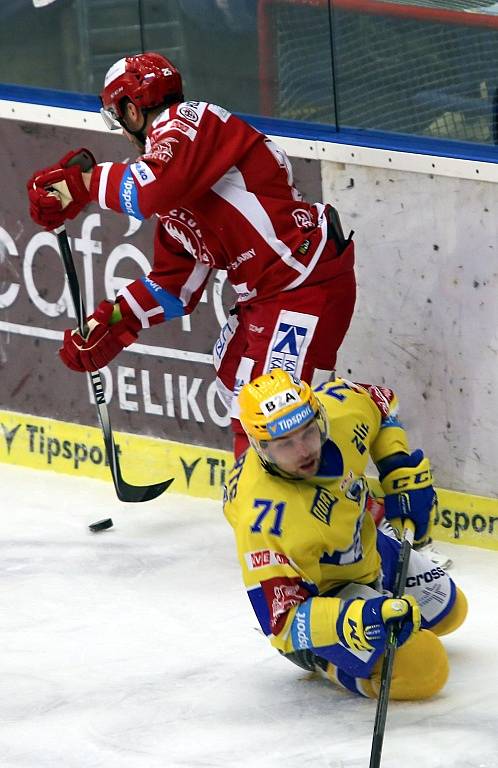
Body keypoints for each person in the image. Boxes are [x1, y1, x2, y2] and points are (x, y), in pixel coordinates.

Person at [26, 52, 356, 457]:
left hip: (302, 282)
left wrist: (83, 183)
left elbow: (149, 189)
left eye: (118, 118)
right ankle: (316, 503)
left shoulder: (192, 122)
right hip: (276, 291)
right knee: (235, 379)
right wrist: (111, 321)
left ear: (131, 110)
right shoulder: (177, 177)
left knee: (271, 414)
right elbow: (174, 286)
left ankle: (272, 516)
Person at [223, 368, 467, 699]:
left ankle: (375, 612)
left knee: (451, 609)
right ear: (261, 448)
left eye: (308, 432)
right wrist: (359, 618)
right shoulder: (263, 518)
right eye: (285, 444)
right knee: (425, 670)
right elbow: (282, 624)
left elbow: (382, 405)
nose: (304, 451)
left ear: (320, 416)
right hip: (323, 595)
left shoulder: (341, 408)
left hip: (363, 549)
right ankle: (325, 659)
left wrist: (396, 467)